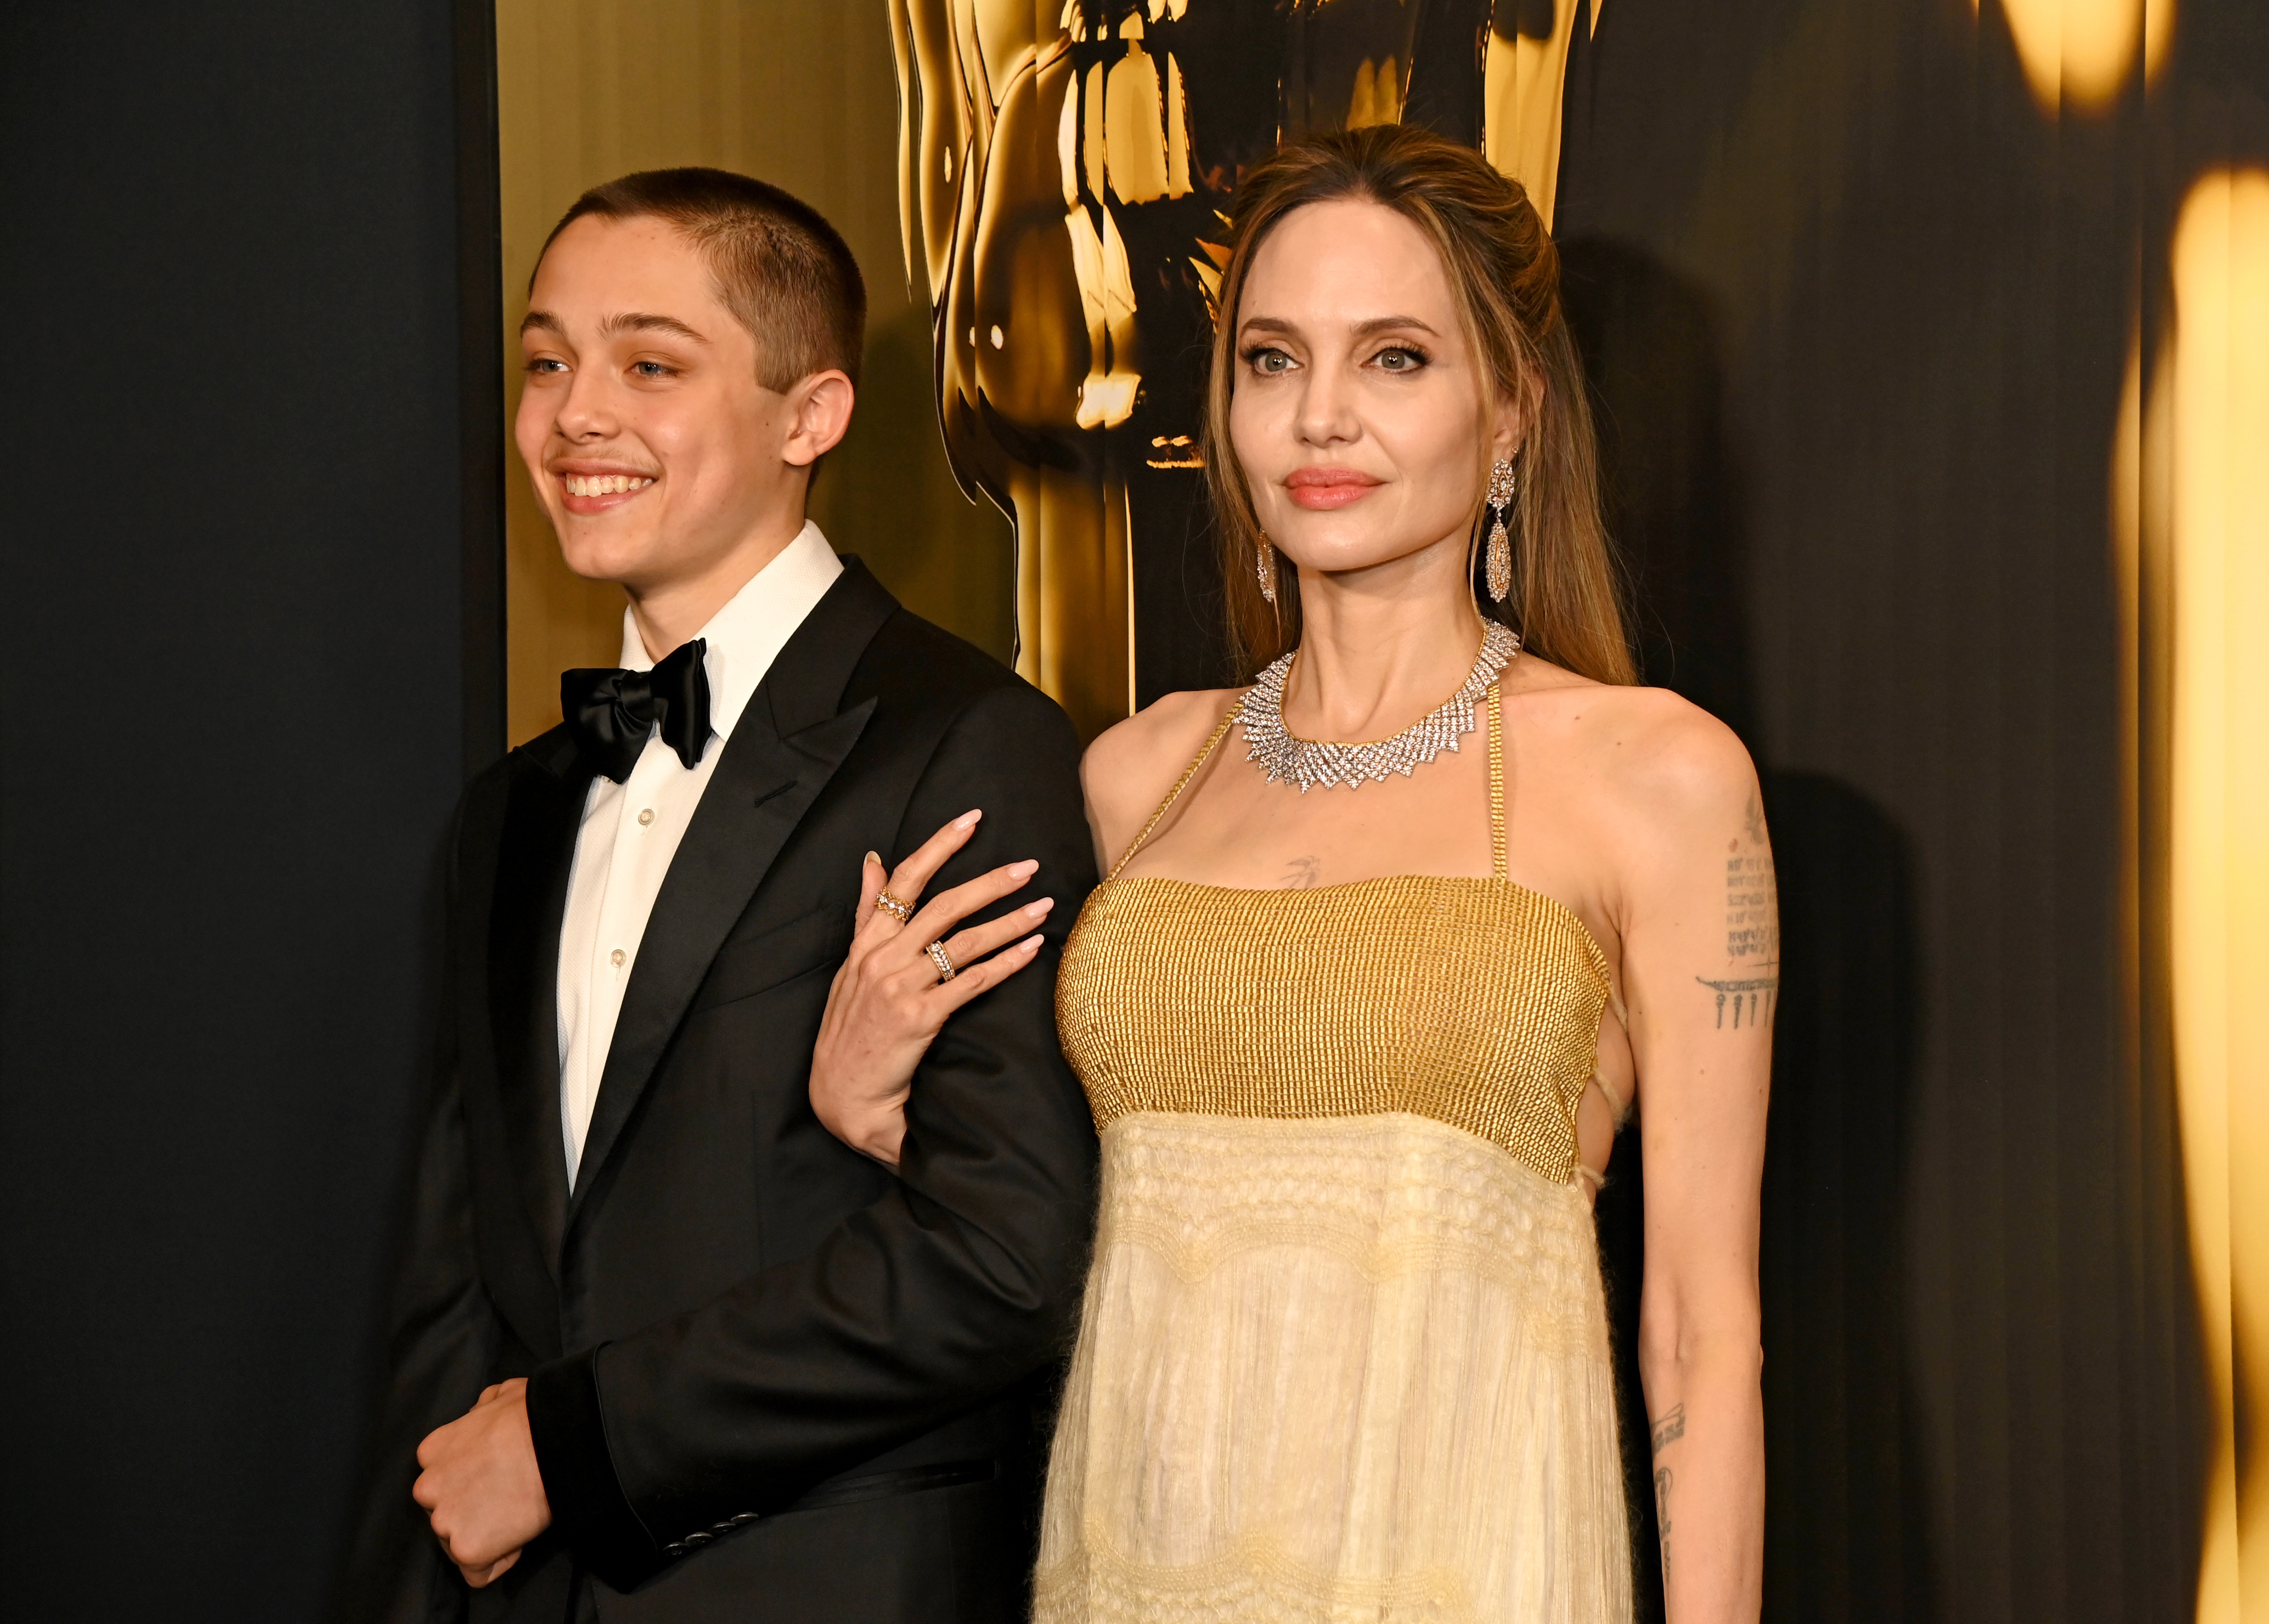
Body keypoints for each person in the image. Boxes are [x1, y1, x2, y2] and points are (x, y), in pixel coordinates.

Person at [818, 124, 1771, 1622]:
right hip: (1132, 1567)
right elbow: (1071, 1227)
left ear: (1512, 410)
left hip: (1469, 1567)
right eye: (1273, 360)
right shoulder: (1136, 775)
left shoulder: (1653, 775)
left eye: (1394, 359)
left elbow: (1702, 1336)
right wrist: (870, 1103)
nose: (1322, 417)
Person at [340, 167, 1101, 1623]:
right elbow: (453, 1283)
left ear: (810, 415)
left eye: (649, 364)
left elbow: (1006, 1255)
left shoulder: (966, 739)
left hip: (829, 1583)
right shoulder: (504, 813)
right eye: (547, 360)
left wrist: (571, 1446)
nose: (574, 414)